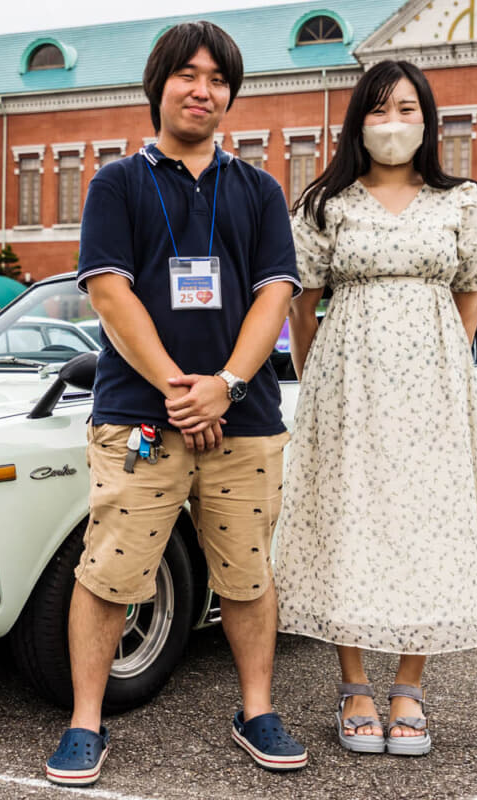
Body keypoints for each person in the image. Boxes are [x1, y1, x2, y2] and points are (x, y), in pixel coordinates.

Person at [46, 20, 302, 787]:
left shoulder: (258, 190)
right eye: (188, 74)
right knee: (107, 573)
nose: (204, 89)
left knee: (248, 576)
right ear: (157, 85)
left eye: (219, 78)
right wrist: (176, 388)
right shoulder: (117, 184)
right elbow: (108, 290)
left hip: (244, 419)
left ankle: (255, 707)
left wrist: (227, 383)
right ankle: (85, 722)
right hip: (139, 417)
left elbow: (276, 294)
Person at [273, 59, 477, 758]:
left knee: (423, 524)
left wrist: (442, 365)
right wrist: (317, 380)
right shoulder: (325, 203)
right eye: (378, 110)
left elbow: (471, 291)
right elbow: (301, 303)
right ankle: (354, 685)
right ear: (357, 122)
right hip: (346, 385)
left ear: (429, 120)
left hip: (431, 388)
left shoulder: (462, 200)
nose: (393, 123)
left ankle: (408, 686)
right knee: (351, 520)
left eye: (407, 109)